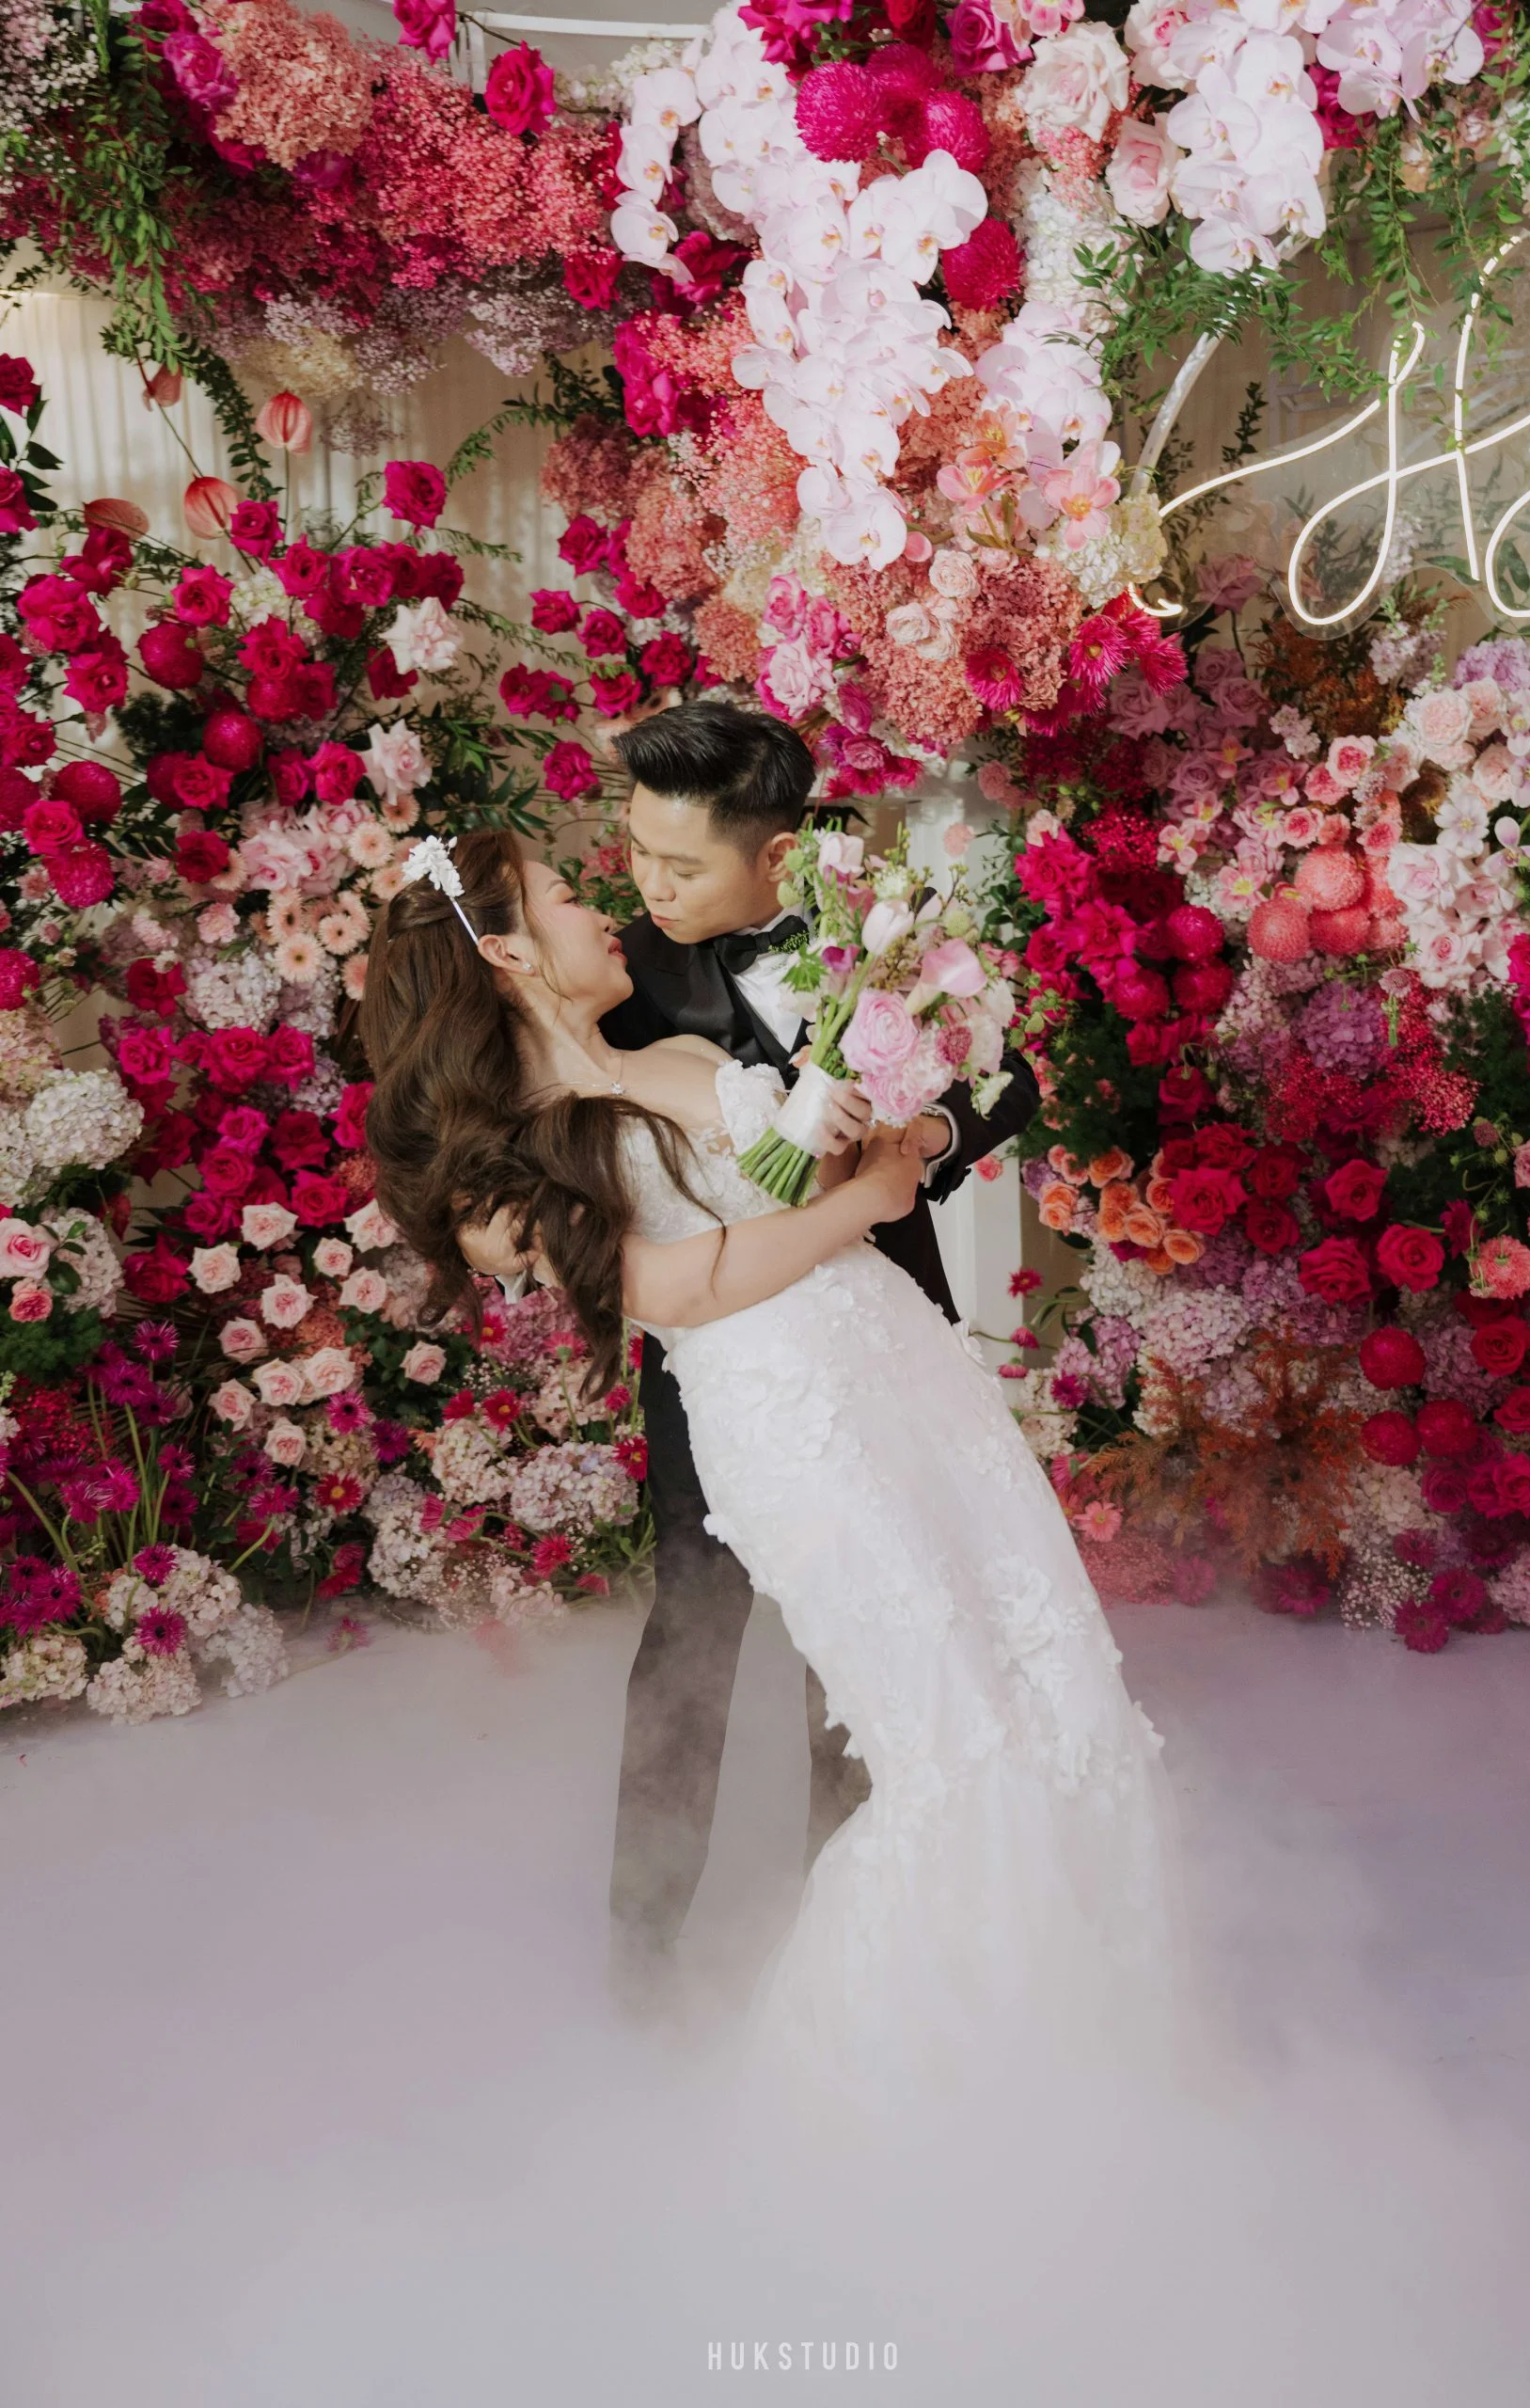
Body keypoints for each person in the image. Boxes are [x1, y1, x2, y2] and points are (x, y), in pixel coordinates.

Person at [359, 829, 1187, 2102]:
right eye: (566, 894)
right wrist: (854, 1206)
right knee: (947, 1736)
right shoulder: (510, 1155)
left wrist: (878, 1110)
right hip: (796, 1428)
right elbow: (671, 1288)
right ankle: (928, 2092)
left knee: (1054, 1688)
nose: (605, 904)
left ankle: (1106, 2042)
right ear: (508, 951)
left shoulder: (680, 1058)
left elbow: (800, 1185)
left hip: (909, 1380)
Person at [595, 702, 1040, 1989]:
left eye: (680, 865)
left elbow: (1002, 1074)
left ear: (780, 857)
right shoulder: (623, 982)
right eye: (637, 852)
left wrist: (929, 1137)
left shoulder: (883, 936)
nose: (649, 886)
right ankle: (641, 1955)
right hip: (725, 1361)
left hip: (878, 1330)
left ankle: (844, 1946)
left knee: (872, 1630)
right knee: (691, 1627)